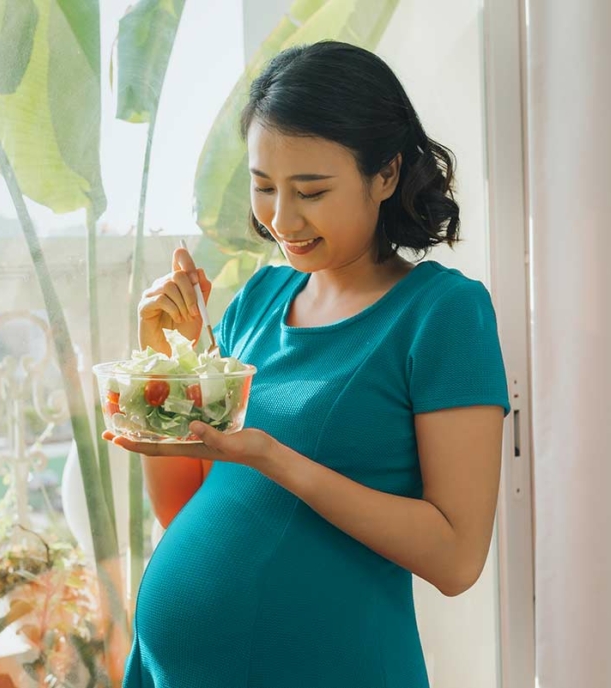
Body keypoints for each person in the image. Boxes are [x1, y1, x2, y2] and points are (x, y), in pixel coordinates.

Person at [104, 40, 511, 688]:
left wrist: (275, 458)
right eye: (264, 186)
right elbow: (187, 503)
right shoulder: (260, 300)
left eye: (311, 191)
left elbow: (458, 556)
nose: (280, 218)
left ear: (385, 175)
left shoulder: (443, 315)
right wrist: (170, 361)